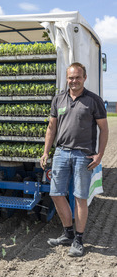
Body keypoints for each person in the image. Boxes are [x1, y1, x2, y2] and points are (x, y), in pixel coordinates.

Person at [40, 62, 108, 257]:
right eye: (71, 77)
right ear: (67, 78)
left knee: (80, 197)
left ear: (84, 78)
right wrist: (46, 152)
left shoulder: (93, 101)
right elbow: (51, 128)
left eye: (78, 77)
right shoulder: (58, 99)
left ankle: (79, 239)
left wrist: (100, 154)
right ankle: (67, 233)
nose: (74, 81)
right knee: (56, 193)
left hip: (83, 155)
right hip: (61, 153)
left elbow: (104, 129)